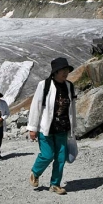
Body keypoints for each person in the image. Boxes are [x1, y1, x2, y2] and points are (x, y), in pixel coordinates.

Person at [27, 57, 77, 195]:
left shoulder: (69, 86)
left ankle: (55, 184)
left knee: (61, 158)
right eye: (62, 70)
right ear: (55, 72)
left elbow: (72, 108)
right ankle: (35, 172)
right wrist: (33, 128)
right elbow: (36, 106)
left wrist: (73, 127)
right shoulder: (44, 85)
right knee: (47, 155)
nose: (65, 73)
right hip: (46, 128)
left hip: (63, 128)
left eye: (67, 70)